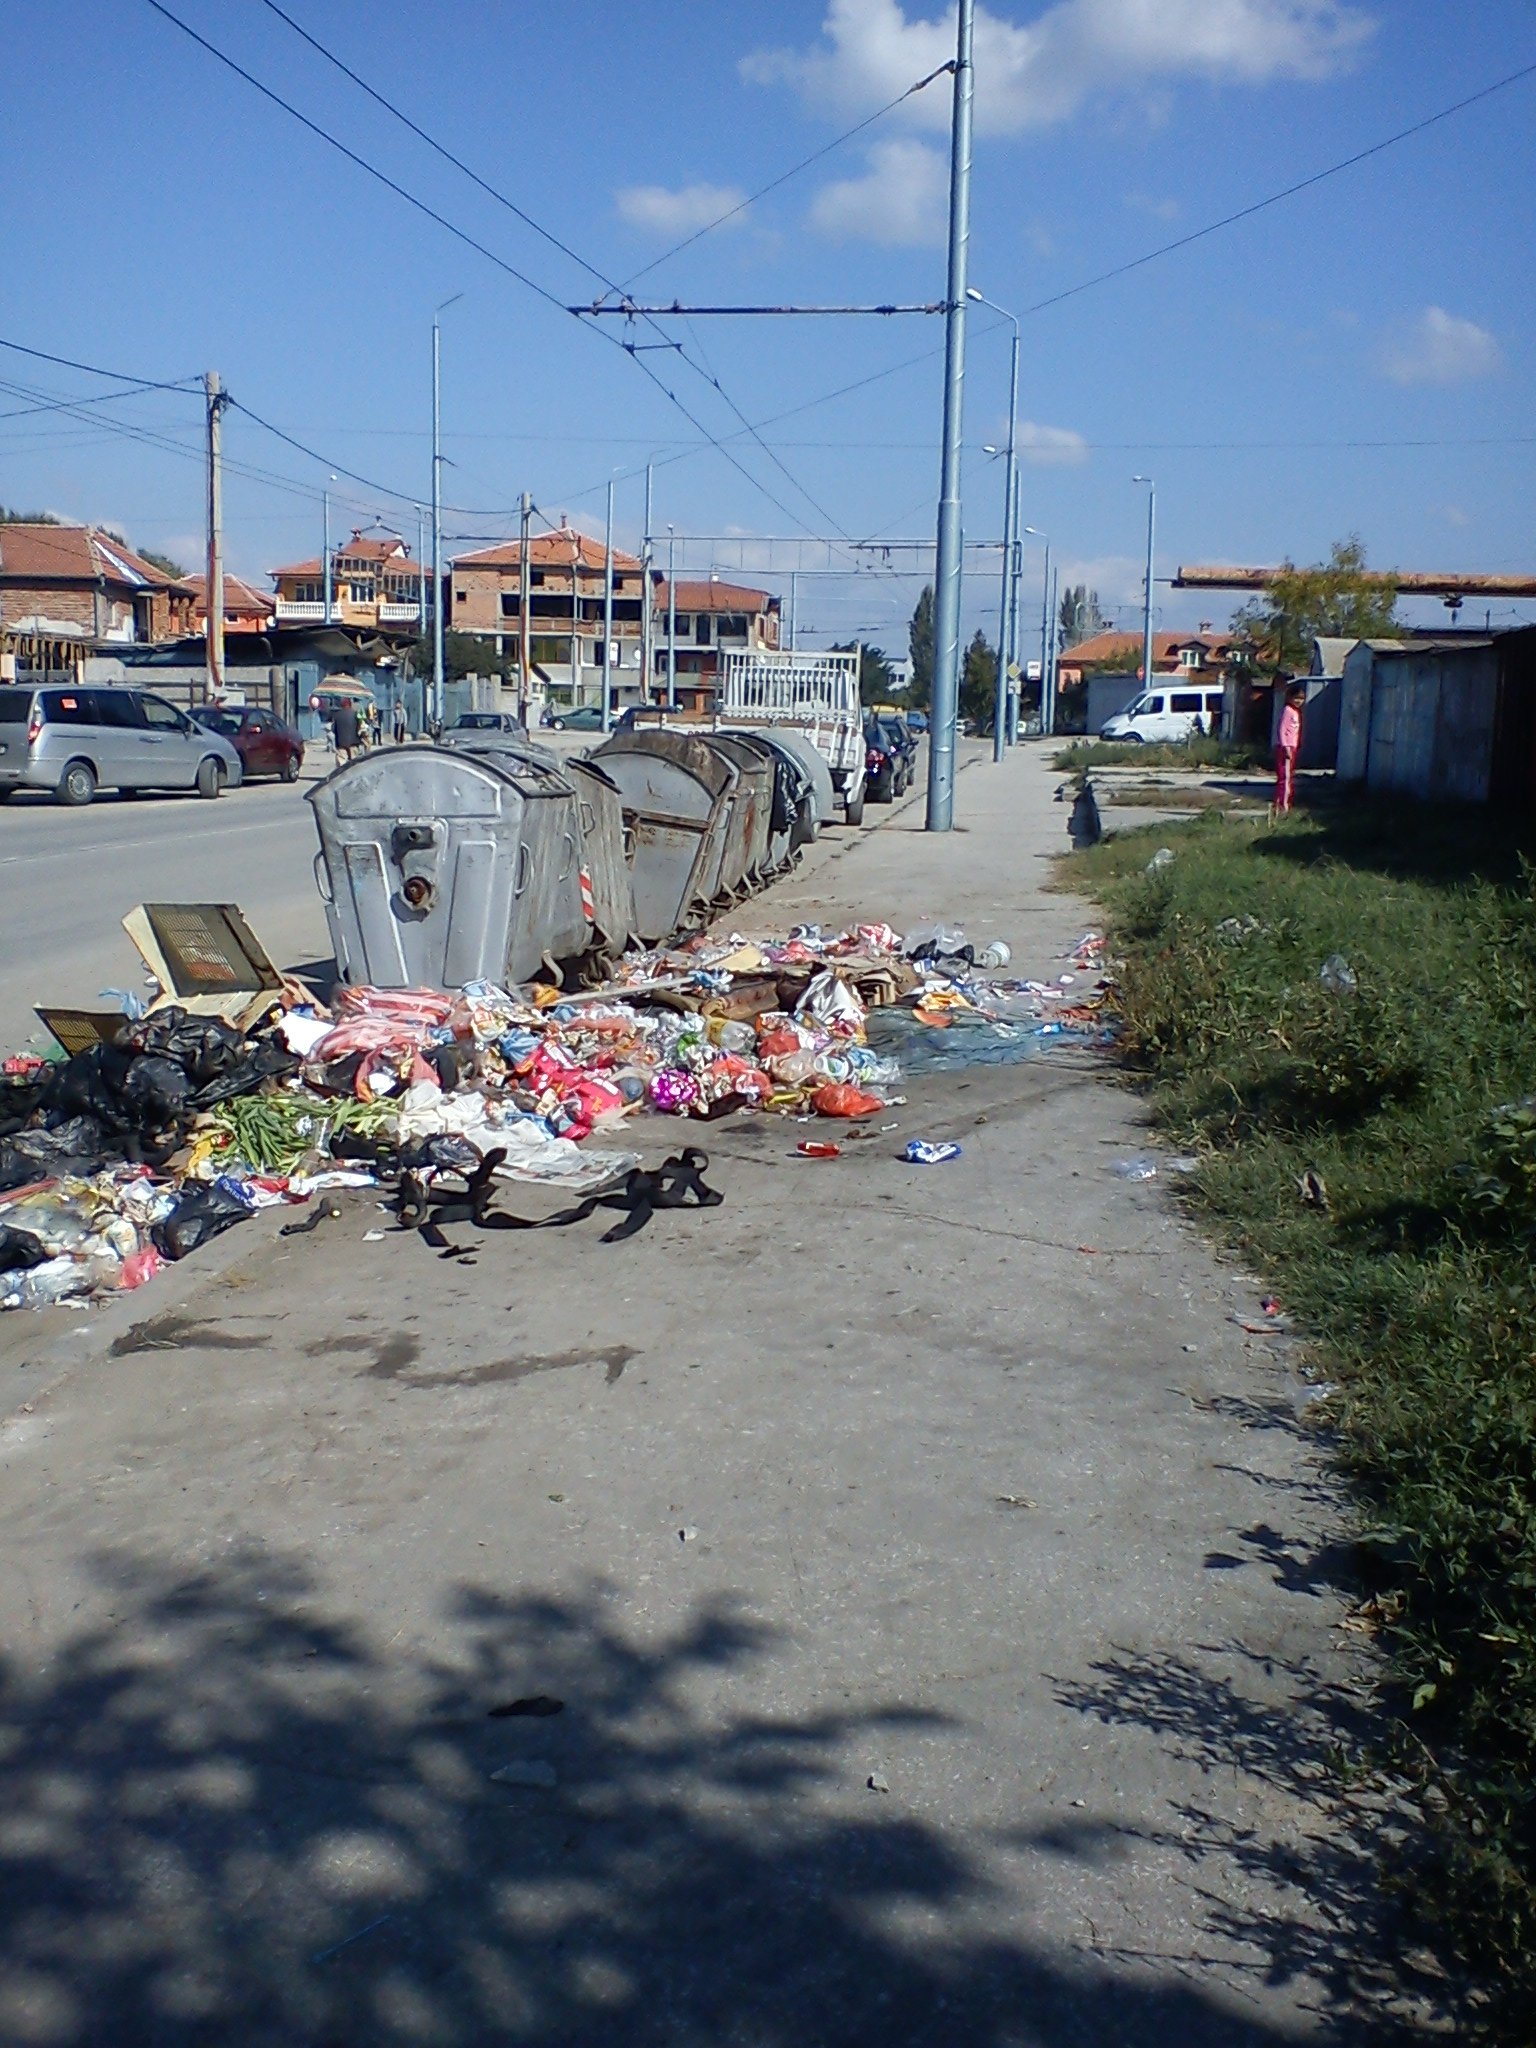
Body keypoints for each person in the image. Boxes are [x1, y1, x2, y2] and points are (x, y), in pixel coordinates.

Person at [1274, 685, 1304, 815]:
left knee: (1288, 777)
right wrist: (1285, 746)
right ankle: (1283, 806)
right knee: (1285, 778)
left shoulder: (1296, 712)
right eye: (1296, 698)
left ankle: (1281, 804)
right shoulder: (1288, 710)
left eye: (1301, 698)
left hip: (1292, 747)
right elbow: (1282, 729)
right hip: (1286, 748)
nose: (1299, 701)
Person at [332, 697, 360, 765]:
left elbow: (333, 729)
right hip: (354, 742)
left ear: (341, 705)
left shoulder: (337, 714)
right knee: (354, 764)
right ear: (350, 704)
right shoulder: (356, 714)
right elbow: (359, 727)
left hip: (341, 743)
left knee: (341, 764)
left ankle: (343, 775)